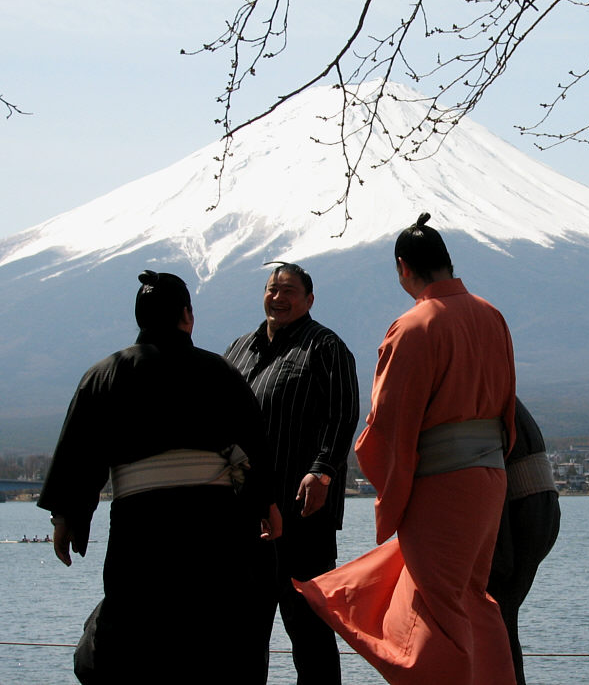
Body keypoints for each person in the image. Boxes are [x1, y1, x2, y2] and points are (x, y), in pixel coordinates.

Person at [296, 213, 518, 685]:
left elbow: (390, 420)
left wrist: (379, 467)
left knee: (439, 609)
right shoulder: (490, 314)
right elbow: (506, 406)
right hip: (490, 478)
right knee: (472, 597)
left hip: (442, 482)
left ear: (403, 268)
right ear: (446, 261)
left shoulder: (415, 325)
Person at [37, 270, 281, 685]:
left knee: (135, 630)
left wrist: (68, 517)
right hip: (214, 528)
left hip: (140, 526)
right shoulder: (219, 372)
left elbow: (80, 453)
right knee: (214, 634)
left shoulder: (106, 374)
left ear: (141, 319)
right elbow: (254, 445)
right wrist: (266, 504)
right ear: (187, 316)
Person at [224, 261, 359, 685]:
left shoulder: (325, 347)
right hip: (245, 518)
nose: (278, 298)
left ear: (309, 300)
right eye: (272, 289)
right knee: (243, 634)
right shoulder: (238, 350)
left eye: (289, 291)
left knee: (311, 633)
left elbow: (343, 415)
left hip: (304, 519)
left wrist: (321, 472)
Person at [487, 398, 561, 685]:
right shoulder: (502, 387)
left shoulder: (482, 386)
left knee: (499, 615)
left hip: (518, 508)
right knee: (504, 618)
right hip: (542, 508)